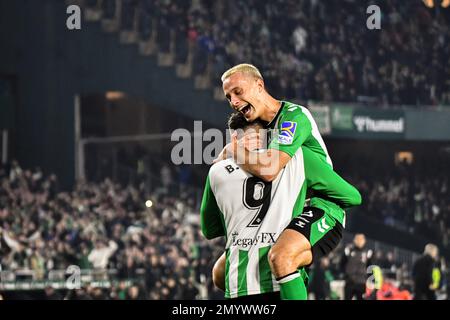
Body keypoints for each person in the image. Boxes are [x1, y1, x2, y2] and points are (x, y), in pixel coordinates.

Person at [213, 64, 361, 299]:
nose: (233, 101)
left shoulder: (293, 117)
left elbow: (270, 169)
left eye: (238, 92)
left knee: (281, 257)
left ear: (259, 85)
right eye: (229, 97)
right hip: (280, 211)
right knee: (222, 272)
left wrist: (234, 152)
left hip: (318, 208)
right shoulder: (257, 129)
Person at [341, 234, 373, 300]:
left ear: (364, 241)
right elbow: (342, 264)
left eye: (361, 240)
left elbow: (370, 266)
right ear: (354, 240)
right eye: (358, 239)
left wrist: (371, 279)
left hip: (361, 282)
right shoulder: (348, 250)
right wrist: (344, 275)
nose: (359, 241)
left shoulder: (367, 252)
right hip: (349, 281)